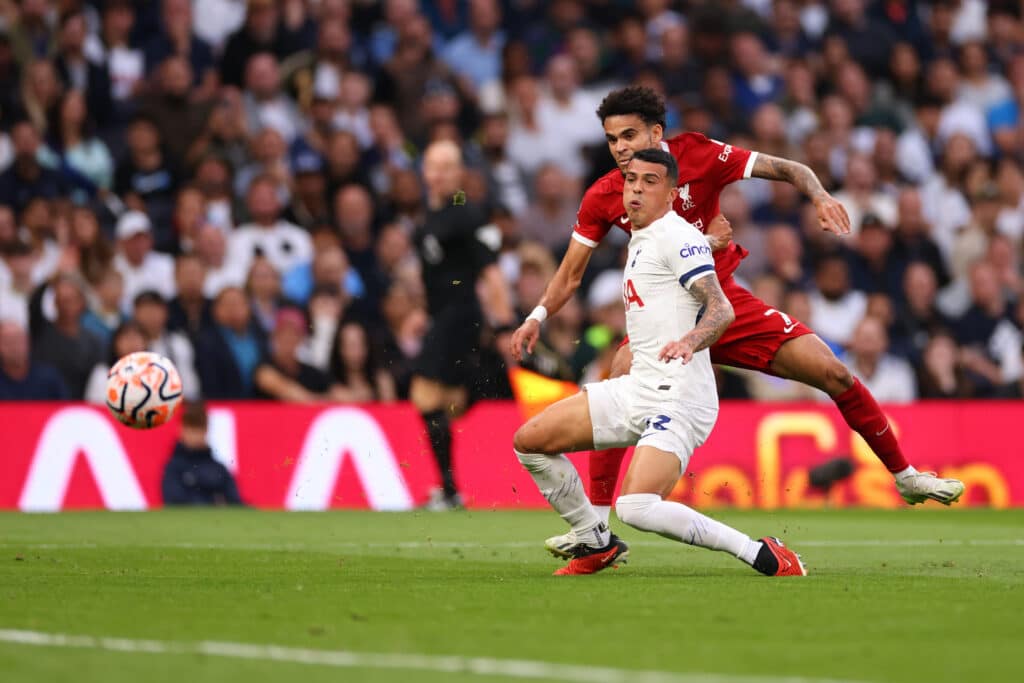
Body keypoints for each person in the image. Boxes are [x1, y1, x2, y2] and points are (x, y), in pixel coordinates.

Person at [508, 86, 964, 555]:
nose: (621, 148)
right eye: (611, 140)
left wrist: (820, 196)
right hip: (668, 321)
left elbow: (789, 168)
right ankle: (597, 530)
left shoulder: (700, 155)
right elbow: (568, 276)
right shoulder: (607, 193)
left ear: (656, 132)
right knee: (620, 377)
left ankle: (905, 476)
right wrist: (537, 315)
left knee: (833, 371)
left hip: (725, 302)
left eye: (629, 135)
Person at [513, 149, 805, 577]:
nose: (636, 189)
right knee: (529, 442)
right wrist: (709, 242)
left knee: (635, 506)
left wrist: (690, 340)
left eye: (650, 182)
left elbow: (721, 309)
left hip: (680, 397)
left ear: (671, 193)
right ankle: (594, 539)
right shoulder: (649, 236)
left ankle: (760, 551)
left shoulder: (676, 237)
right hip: (638, 387)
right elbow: (679, 256)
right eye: (631, 180)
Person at [411, 140, 515, 510]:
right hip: (444, 316)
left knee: (424, 394)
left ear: (458, 174)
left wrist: (505, 324)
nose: (437, 175)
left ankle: (450, 490)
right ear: (424, 170)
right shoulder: (433, 213)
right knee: (448, 402)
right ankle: (451, 489)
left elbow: (490, 271)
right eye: (432, 166)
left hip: (460, 315)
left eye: (446, 167)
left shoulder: (463, 211)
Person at [162, 401, 243, 506]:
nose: (195, 435)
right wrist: (213, 502)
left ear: (206, 430)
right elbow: (174, 500)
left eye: (199, 429)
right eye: (191, 429)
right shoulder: (174, 467)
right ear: (181, 430)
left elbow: (235, 502)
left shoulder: (218, 468)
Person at [0, 319, 69, 400]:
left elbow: (65, 409)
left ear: (28, 341)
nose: (14, 347)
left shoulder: (49, 377)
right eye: (8, 342)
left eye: (18, 340)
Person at [83, 320, 147, 405]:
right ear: (115, 343)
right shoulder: (102, 372)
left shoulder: (154, 373)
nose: (132, 343)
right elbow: (94, 406)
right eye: (127, 338)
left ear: (145, 342)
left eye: (136, 337)